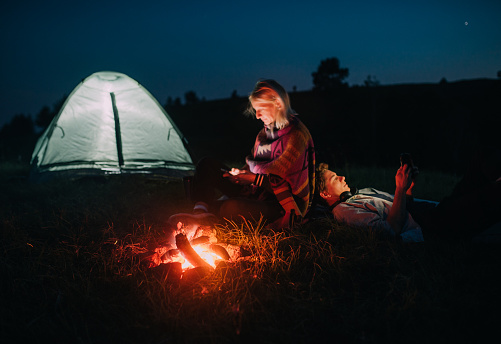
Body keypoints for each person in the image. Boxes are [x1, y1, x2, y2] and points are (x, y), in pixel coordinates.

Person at [170, 79, 316, 230]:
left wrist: (253, 179)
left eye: (261, 108)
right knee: (206, 164)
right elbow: (254, 164)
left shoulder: (296, 136)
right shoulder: (264, 134)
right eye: (255, 109)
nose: (258, 115)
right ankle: (200, 212)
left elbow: (285, 185)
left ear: (278, 104)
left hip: (279, 203)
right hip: (254, 189)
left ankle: (211, 211)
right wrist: (240, 174)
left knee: (231, 207)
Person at [315, 151, 501, 243]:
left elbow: (404, 207)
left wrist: (409, 188)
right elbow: (391, 230)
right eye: (334, 178)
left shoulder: (355, 195)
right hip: (430, 224)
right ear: (325, 193)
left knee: (482, 159)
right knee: (487, 195)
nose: (342, 177)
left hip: (433, 210)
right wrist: (400, 189)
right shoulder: (345, 211)